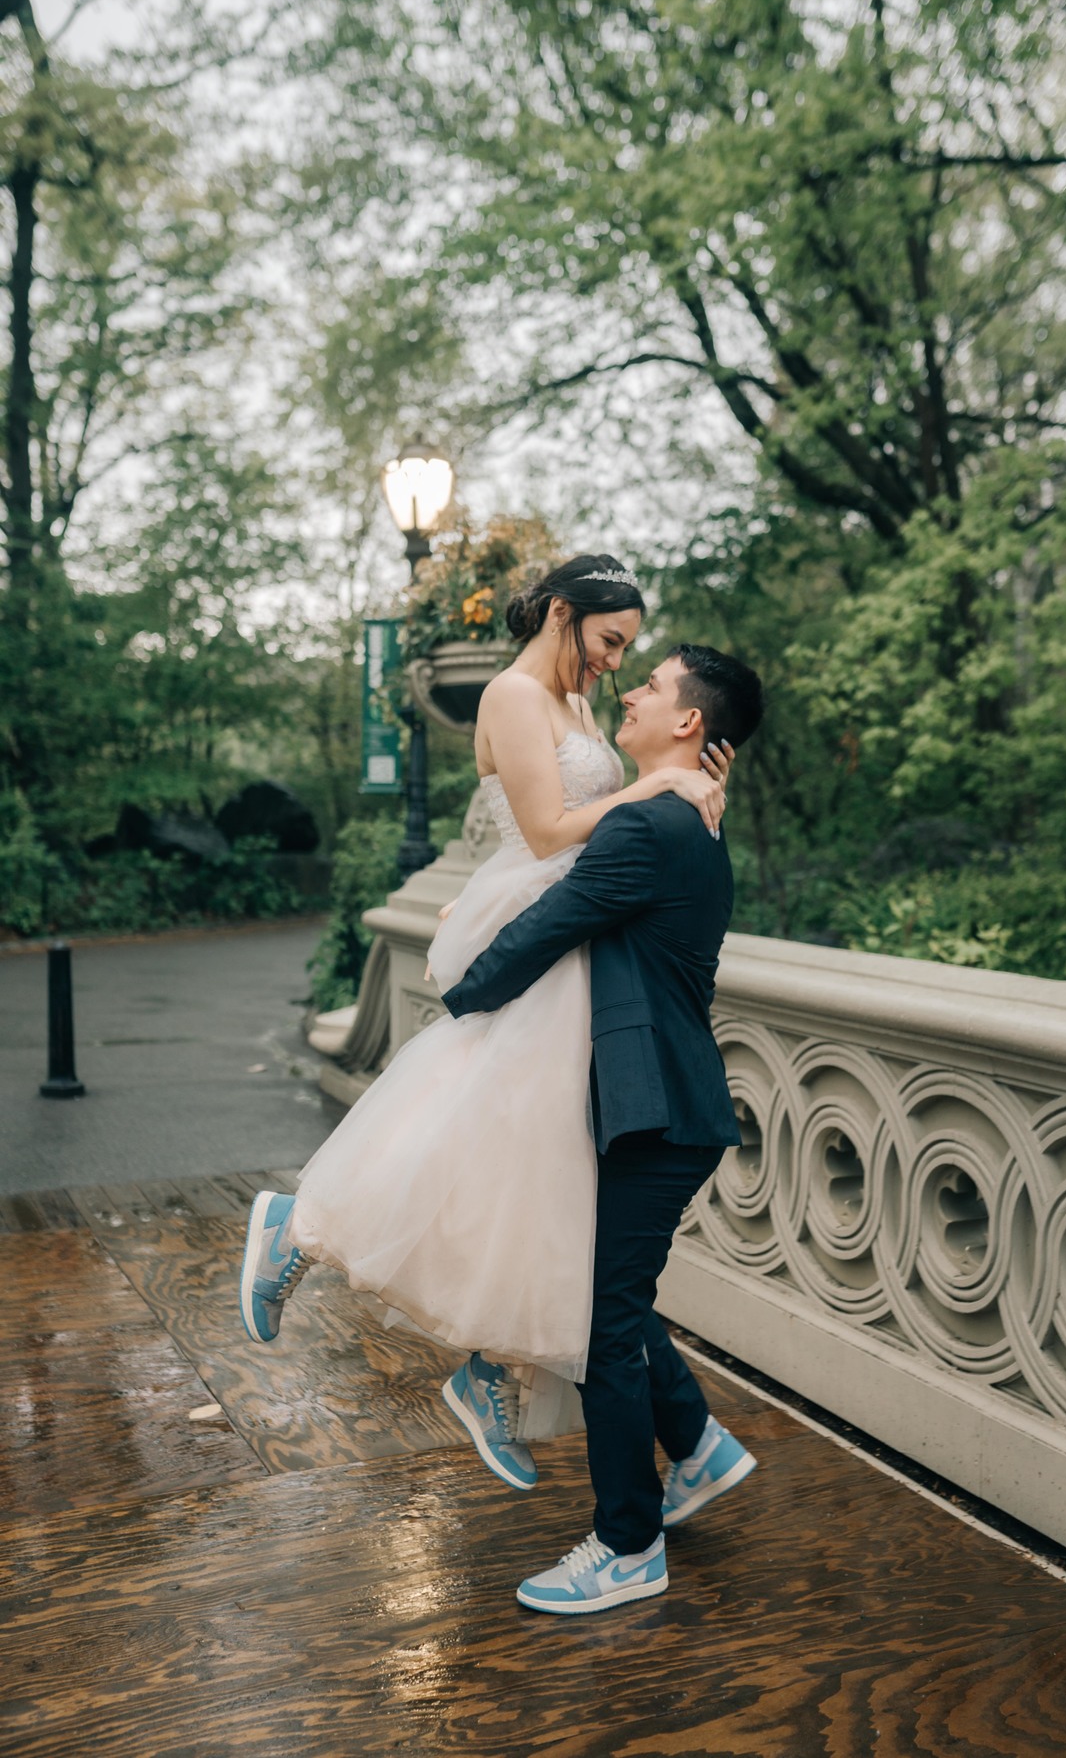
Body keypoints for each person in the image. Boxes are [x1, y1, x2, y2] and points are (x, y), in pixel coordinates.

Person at [237, 556, 731, 1478]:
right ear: (561, 614)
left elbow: (631, 834)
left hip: (583, 939)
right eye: (608, 641)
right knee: (461, 1127)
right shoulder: (508, 694)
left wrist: (694, 788)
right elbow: (547, 832)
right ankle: (296, 1228)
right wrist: (658, 787)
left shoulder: (582, 706)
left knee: (532, 1165)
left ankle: (493, 1363)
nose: (615, 665)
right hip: (536, 911)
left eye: (628, 651)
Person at [439, 641, 766, 1614]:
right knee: (605, 1298)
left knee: (602, 1326)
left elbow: (547, 928)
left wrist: (457, 1009)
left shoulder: (656, 825)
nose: (630, 688)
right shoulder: (689, 819)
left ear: (689, 724)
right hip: (662, 1103)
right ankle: (700, 1447)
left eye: (653, 684)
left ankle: (630, 1541)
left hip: (653, 1111)